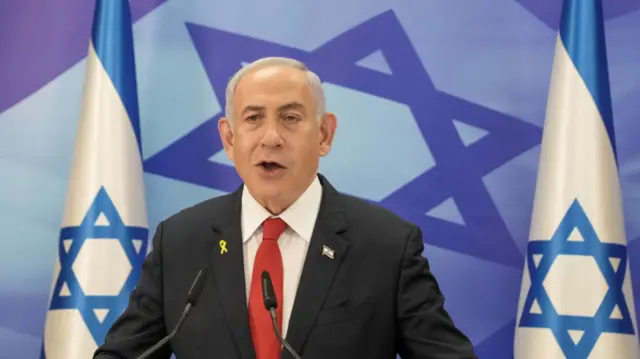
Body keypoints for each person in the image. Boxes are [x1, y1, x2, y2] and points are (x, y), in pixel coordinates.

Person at [94, 57, 477, 359]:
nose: (271, 138)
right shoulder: (181, 242)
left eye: (290, 118)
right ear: (229, 138)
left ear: (325, 134)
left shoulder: (387, 246)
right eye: (254, 119)